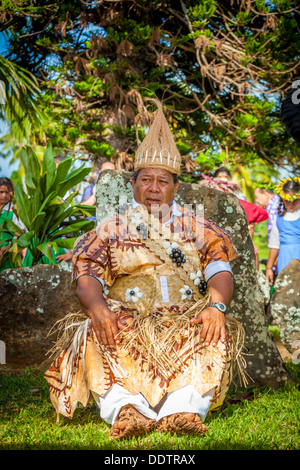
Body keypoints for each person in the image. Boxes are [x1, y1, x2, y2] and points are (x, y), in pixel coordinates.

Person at [44, 100, 246, 441]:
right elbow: (87, 275)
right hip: (129, 318)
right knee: (99, 329)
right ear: (133, 184)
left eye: (162, 181)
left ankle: (183, 411)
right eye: (146, 180)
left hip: (187, 318)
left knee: (211, 329)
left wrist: (216, 306)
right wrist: (98, 309)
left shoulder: (201, 228)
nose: (154, 188)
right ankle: (127, 409)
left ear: (175, 187)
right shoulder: (109, 230)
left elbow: (219, 271)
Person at [266, 177, 300, 286]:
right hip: (284, 259)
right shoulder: (279, 219)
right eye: (287, 201)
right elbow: (274, 245)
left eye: (294, 201)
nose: (291, 204)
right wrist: (269, 268)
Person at [0, 177, 26, 272]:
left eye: (8, 192)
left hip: (8, 254)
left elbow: (20, 233)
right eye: (1, 192)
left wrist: (6, 248)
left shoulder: (14, 211)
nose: (4, 195)